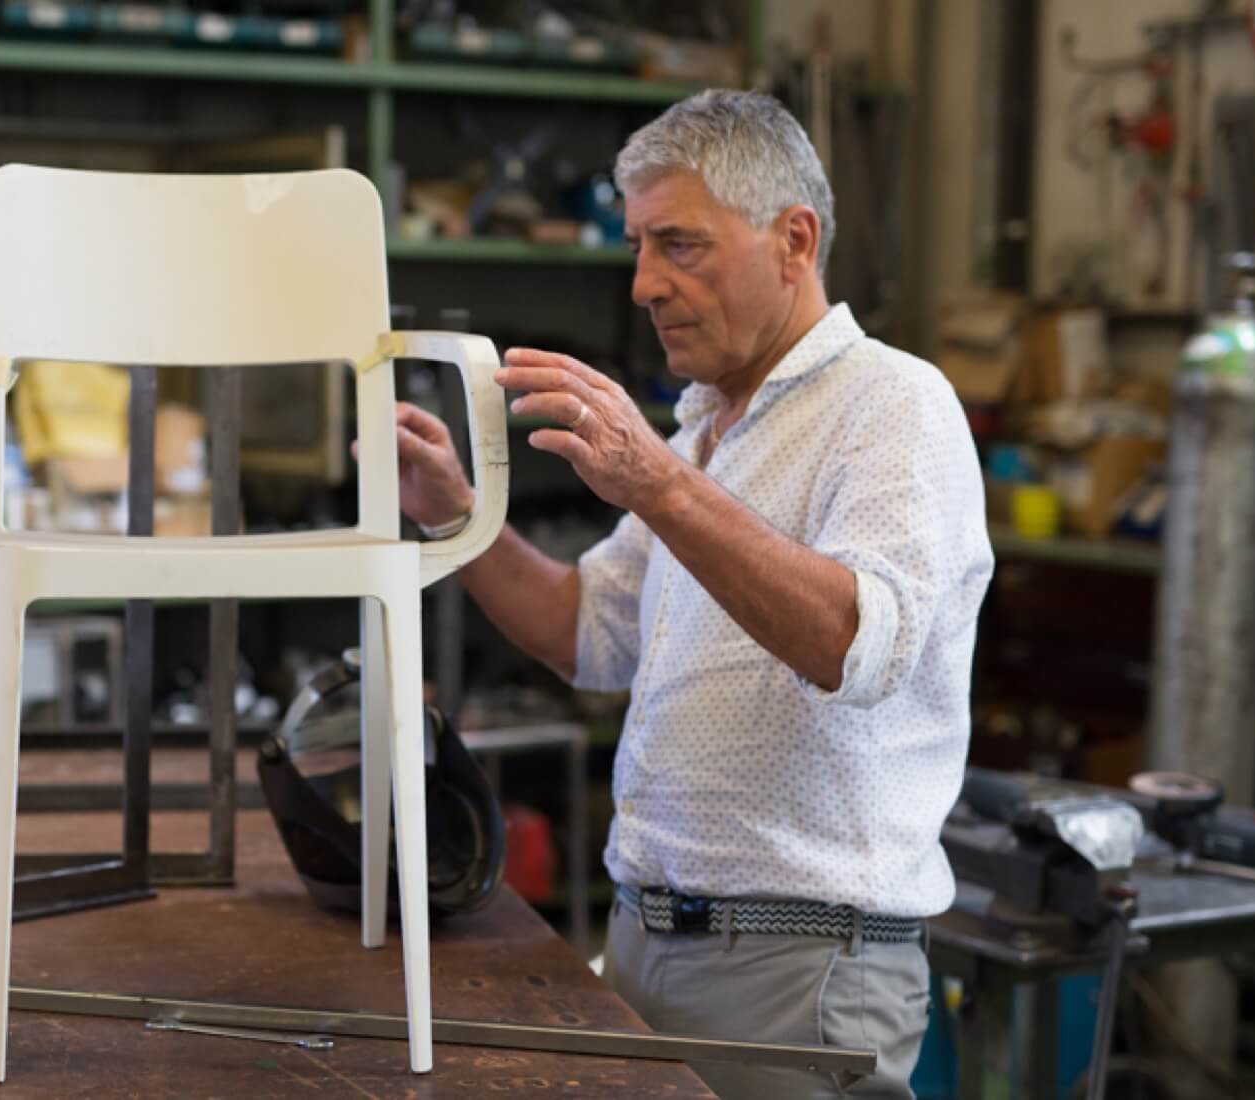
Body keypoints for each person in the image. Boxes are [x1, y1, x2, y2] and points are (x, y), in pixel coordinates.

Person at [390, 89, 994, 1097]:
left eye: (680, 245)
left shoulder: (893, 405)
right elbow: (587, 632)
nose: (642, 284)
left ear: (792, 240)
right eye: (637, 247)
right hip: (647, 942)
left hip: (798, 967)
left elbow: (856, 642)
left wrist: (656, 483)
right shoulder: (710, 428)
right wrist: (457, 514)